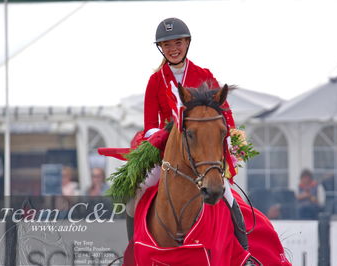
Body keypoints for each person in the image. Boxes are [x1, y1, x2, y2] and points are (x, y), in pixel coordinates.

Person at [124, 18, 290, 265]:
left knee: (230, 197)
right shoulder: (155, 80)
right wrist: (163, 136)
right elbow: (150, 124)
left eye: (177, 43)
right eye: (167, 45)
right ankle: (134, 251)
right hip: (168, 152)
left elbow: (224, 115)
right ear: (161, 49)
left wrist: (230, 135)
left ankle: (244, 255)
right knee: (135, 193)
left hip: (202, 153)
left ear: (187, 43)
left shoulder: (204, 75)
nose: (173, 49)